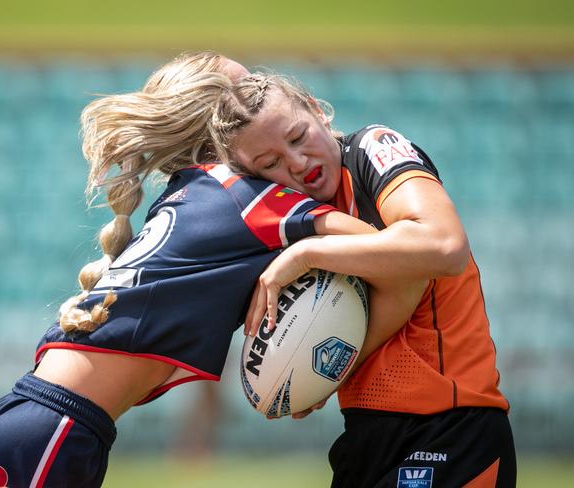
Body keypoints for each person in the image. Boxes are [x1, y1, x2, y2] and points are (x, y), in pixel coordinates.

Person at [0, 53, 423, 488]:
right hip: (50, 430)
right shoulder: (248, 198)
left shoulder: (191, 190)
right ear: (221, 126)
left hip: (42, 423)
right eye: (246, 89)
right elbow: (395, 251)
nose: (259, 93)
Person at [206, 72, 517, 487]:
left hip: (451, 430)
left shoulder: (373, 148)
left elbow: (444, 246)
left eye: (298, 137)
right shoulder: (296, 216)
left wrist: (307, 254)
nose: (297, 163)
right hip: (367, 437)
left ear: (318, 111)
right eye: (271, 164)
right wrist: (317, 372)